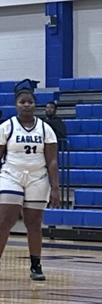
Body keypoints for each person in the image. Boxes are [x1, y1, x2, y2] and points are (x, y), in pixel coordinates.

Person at [0, 82, 60, 281]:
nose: (26, 105)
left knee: (33, 223)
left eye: (30, 102)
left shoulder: (45, 129)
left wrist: (55, 187)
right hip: (11, 175)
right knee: (4, 221)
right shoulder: (7, 127)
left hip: (37, 177)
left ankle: (36, 265)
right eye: (22, 102)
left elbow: (52, 160)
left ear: (35, 104)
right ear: (16, 105)